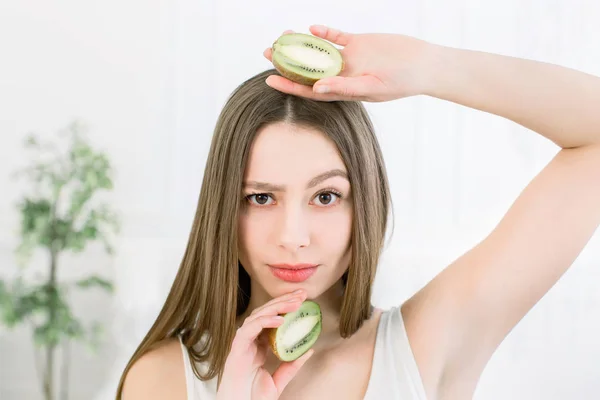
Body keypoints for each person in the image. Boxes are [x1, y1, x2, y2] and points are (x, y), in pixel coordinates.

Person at [116, 24, 600, 399]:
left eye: (325, 197)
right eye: (260, 198)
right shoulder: (161, 380)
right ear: (223, 206)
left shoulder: (426, 346)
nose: (293, 237)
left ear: (363, 201)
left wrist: (431, 67)